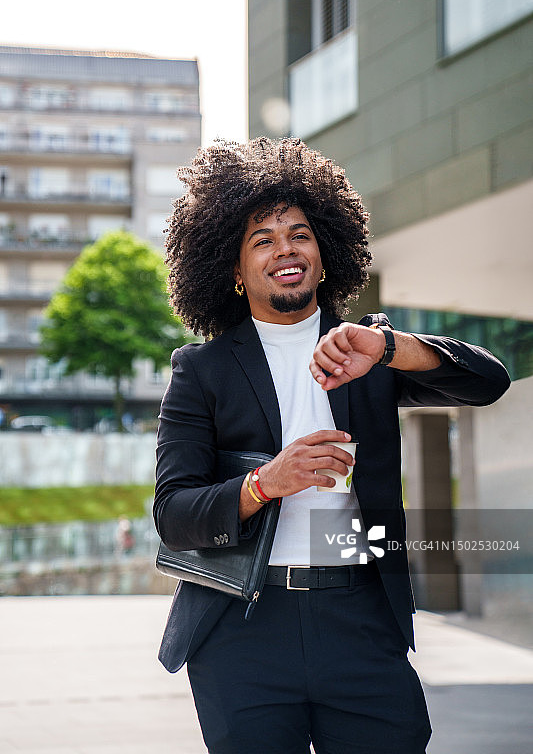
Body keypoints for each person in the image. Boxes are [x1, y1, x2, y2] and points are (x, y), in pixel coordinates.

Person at [154, 137, 510, 754]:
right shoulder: (201, 371)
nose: (285, 249)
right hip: (243, 631)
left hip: (361, 619)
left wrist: (394, 347)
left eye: (300, 233)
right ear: (234, 272)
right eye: (262, 240)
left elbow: (488, 382)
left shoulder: (364, 348)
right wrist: (266, 482)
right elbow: (174, 516)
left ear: (326, 251)